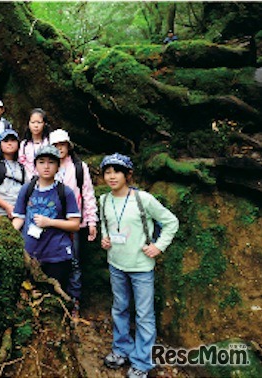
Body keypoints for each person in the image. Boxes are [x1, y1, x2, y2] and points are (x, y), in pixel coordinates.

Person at [99, 153, 179, 378]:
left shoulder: (143, 199)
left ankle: (142, 362)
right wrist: (104, 239)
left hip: (141, 266)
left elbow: (171, 221)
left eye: (117, 171)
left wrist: (159, 246)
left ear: (128, 175)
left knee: (144, 314)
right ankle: (121, 350)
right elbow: (106, 224)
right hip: (116, 263)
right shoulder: (104, 200)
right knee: (120, 308)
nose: (112, 176)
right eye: (107, 172)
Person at [12, 145, 81, 292]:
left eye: (51, 162)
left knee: (54, 295)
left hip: (57, 255)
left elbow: (75, 224)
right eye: (42, 162)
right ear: (35, 165)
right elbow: (19, 218)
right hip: (30, 253)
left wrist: (50, 222)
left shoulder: (65, 192)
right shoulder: (27, 189)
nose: (46, 166)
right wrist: (8, 234)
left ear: (58, 166)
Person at [49, 129, 98, 317]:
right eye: (55, 145)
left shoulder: (78, 167)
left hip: (73, 223)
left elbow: (87, 194)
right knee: (52, 259)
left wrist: (91, 220)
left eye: (62, 145)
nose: (59, 148)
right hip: (51, 222)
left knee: (75, 262)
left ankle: (74, 301)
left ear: (68, 146)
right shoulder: (46, 166)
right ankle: (55, 299)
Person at [0, 129, 27, 218]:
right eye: (6, 141)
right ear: (0, 144)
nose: (9, 143)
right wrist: (7, 206)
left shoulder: (21, 167)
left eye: (13, 140)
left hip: (19, 210)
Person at [18, 108, 51, 180]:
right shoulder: (24, 145)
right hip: (28, 182)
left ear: (44, 124)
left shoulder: (49, 142)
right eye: (33, 122)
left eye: (39, 122)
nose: (36, 126)